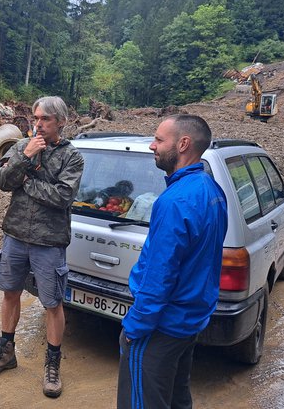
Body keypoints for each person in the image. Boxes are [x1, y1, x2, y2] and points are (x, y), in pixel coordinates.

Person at [117, 114, 228, 409]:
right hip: (189, 322)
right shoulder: (212, 190)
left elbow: (159, 274)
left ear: (183, 144)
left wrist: (134, 328)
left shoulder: (174, 201)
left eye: (159, 139)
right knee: (177, 399)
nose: (152, 145)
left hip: (161, 327)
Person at [0, 96, 84, 398]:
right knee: (10, 293)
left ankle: (52, 364)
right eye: (35, 118)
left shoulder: (72, 157)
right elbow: (2, 180)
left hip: (49, 242)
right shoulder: (20, 146)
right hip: (15, 235)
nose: (37, 124)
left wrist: (26, 183)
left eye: (45, 120)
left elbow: (62, 197)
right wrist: (25, 157)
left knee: (52, 303)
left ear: (60, 122)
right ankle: (6, 352)